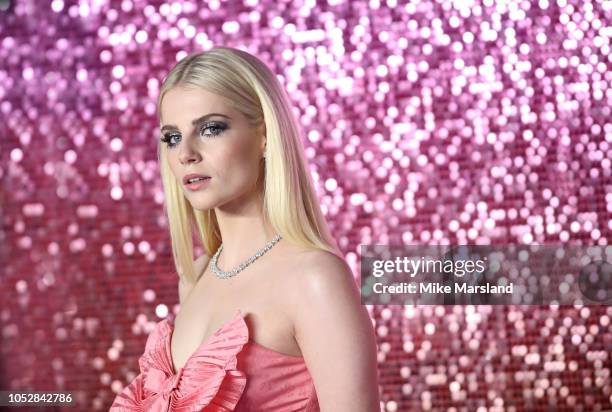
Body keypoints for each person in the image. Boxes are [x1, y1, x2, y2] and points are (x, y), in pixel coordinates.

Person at [110, 46, 380, 411]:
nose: (185, 153)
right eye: (172, 137)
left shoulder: (314, 278)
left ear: (265, 136)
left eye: (210, 129)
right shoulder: (197, 276)